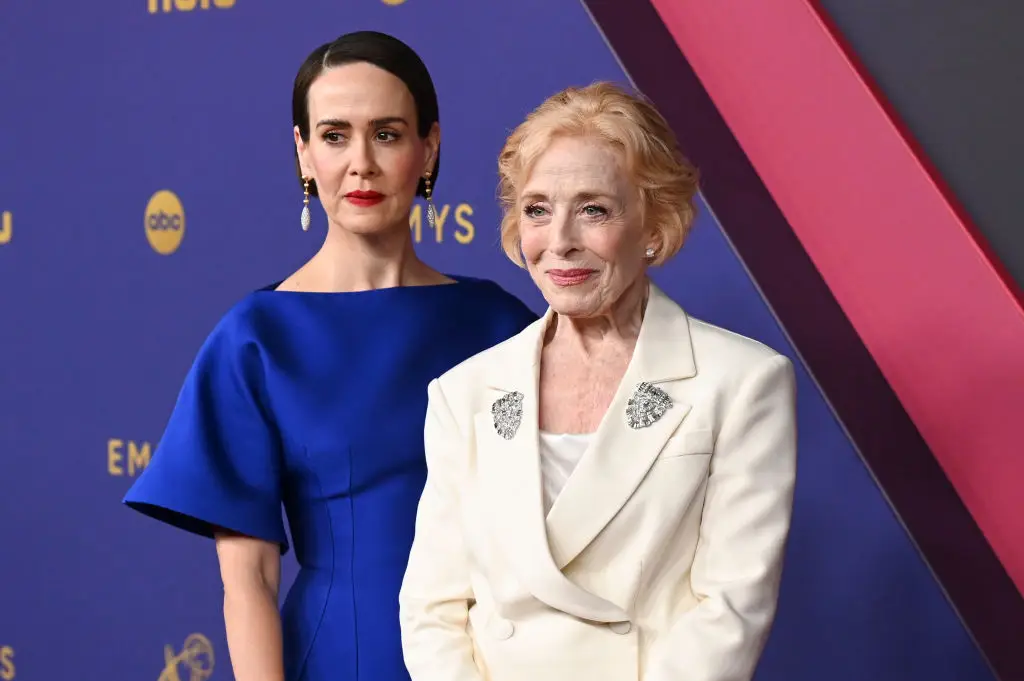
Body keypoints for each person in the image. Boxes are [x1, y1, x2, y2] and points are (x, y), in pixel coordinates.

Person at [123, 31, 537, 681]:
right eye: (335, 135)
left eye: (389, 134)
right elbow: (251, 579)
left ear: (429, 147)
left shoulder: (501, 323)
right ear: (303, 153)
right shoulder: (257, 337)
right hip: (340, 658)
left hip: (499, 658)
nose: (361, 163)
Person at [398, 82, 798, 681]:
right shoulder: (465, 394)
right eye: (537, 209)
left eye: (593, 209)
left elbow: (731, 610)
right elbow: (433, 607)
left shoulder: (742, 382)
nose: (559, 241)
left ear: (655, 224)